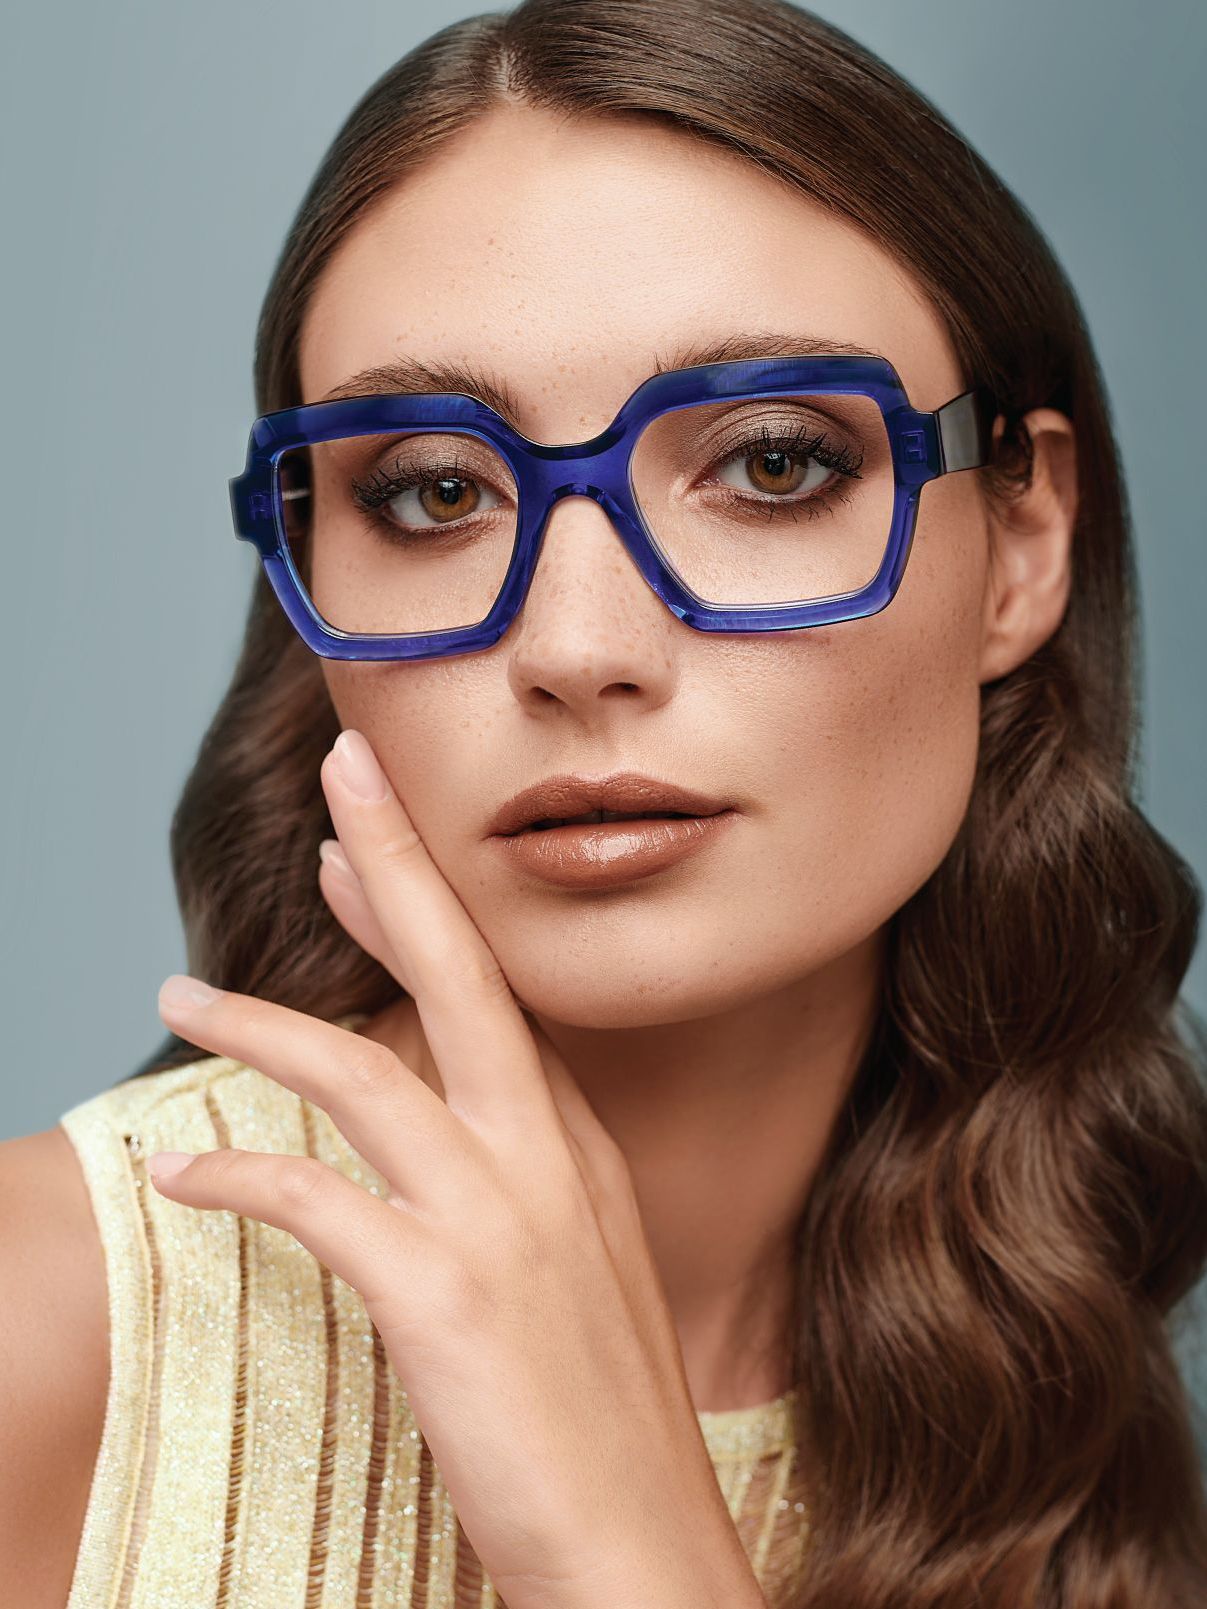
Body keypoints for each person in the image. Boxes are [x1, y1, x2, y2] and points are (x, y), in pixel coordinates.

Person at [3, 0, 1205, 1604]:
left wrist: (629, 1545)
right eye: (435, 491)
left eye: (771, 464)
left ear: (1023, 543)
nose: (576, 647)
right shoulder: (42, 1329)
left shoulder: (1046, 1364)